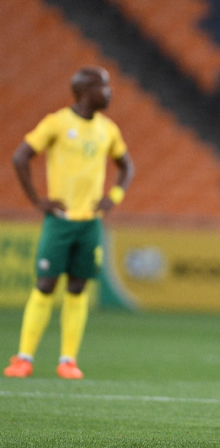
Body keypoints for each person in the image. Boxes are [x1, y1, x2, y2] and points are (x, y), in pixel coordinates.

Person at [4, 66, 135, 380]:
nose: (109, 92)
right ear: (84, 91)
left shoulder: (108, 129)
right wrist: (38, 200)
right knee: (45, 284)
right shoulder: (57, 123)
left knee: (78, 288)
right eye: (103, 87)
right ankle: (24, 358)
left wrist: (113, 197)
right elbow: (20, 157)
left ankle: (67, 360)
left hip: (90, 223)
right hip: (59, 222)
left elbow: (126, 167)